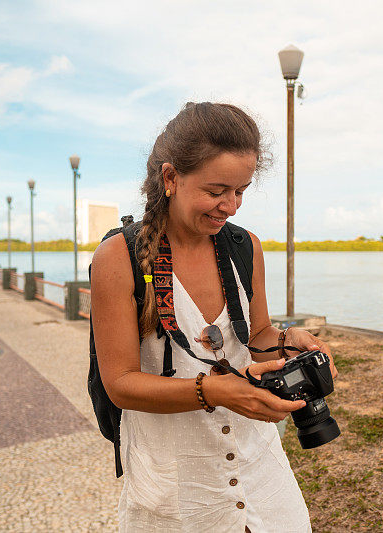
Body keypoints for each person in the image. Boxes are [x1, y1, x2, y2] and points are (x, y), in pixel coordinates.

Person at [90, 102, 338, 532]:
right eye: (217, 190)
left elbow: (257, 333)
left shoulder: (245, 247)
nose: (232, 206)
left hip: (259, 466)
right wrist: (218, 391)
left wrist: (287, 340)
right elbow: (121, 384)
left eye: (241, 190)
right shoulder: (118, 257)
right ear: (171, 178)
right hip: (176, 484)